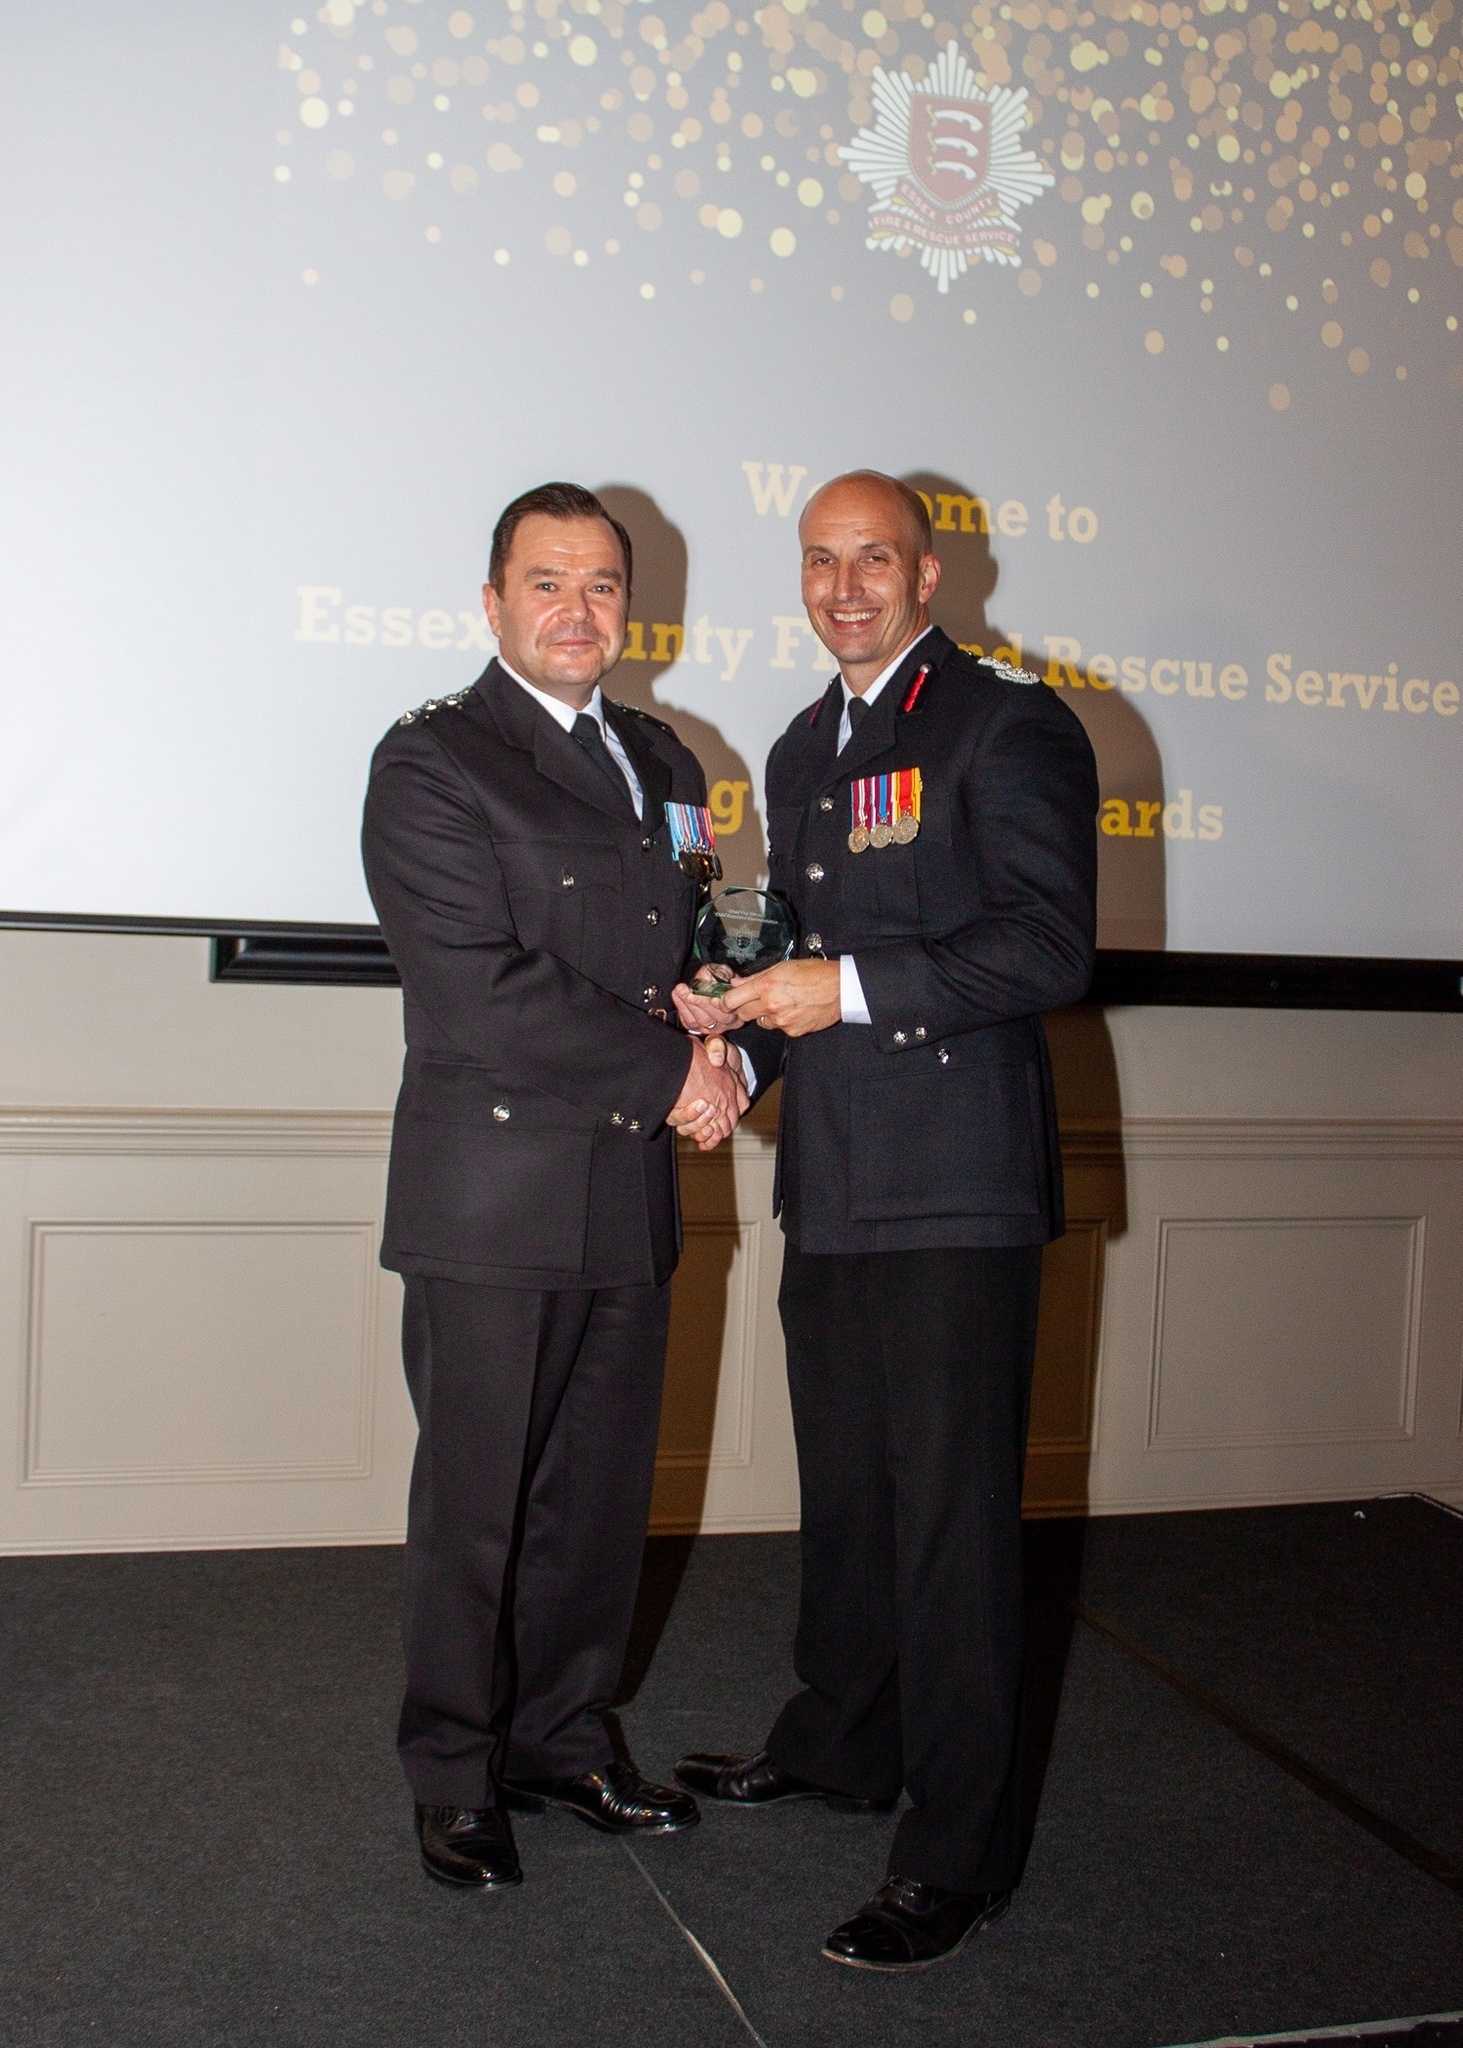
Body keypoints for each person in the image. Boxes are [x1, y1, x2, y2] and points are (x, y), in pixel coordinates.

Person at [670, 470, 1099, 1970]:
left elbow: (1047, 944)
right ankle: (844, 1741)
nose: (843, 587)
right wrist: (738, 1049)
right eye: (819, 561)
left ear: (930, 576)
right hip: (838, 1174)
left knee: (956, 1526)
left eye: (874, 561)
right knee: (851, 1492)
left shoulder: (1006, 722)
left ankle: (957, 1854)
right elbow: (802, 960)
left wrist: (836, 994)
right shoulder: (801, 747)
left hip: (958, 1182)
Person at [361, 481, 748, 1890]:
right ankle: (455, 1771)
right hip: (496, 1194)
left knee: (595, 1500)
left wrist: (736, 1049)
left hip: (627, 1191)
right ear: (492, 603)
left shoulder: (668, 757)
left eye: (600, 585)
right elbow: (476, 993)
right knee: (481, 1505)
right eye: (546, 583)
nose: (577, 610)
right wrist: (673, 1076)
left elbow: (717, 924)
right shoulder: (432, 763)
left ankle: (565, 1739)